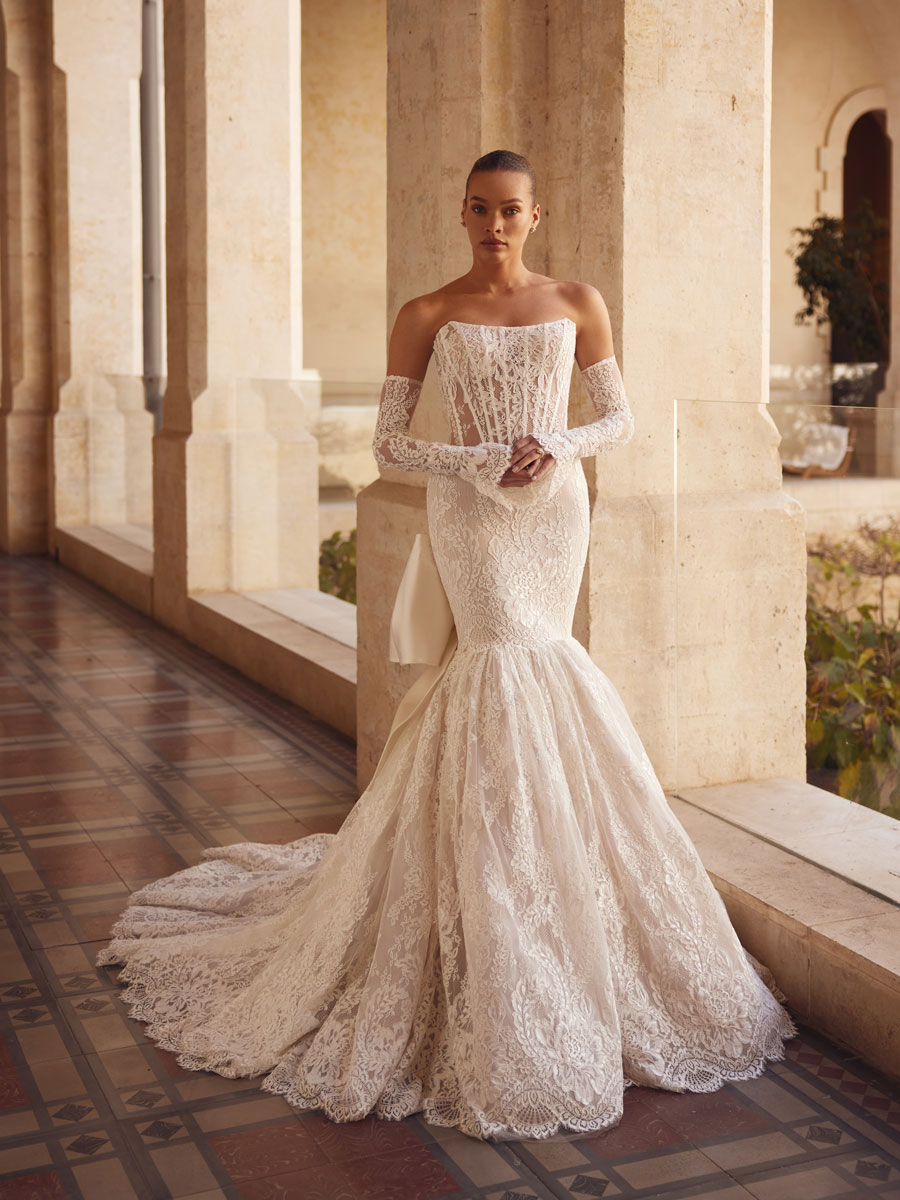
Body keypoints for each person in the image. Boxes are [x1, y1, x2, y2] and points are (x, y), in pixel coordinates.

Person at [98, 149, 799, 1144]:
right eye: (479, 209)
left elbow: (620, 418)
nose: (495, 226)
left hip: (552, 514)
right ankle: (489, 904)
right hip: (472, 519)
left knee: (541, 661)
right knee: (500, 665)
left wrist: (556, 446)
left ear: (536, 213)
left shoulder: (577, 301)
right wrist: (477, 462)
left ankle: (553, 901)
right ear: (462, 214)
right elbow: (390, 446)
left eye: (511, 210)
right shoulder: (426, 313)